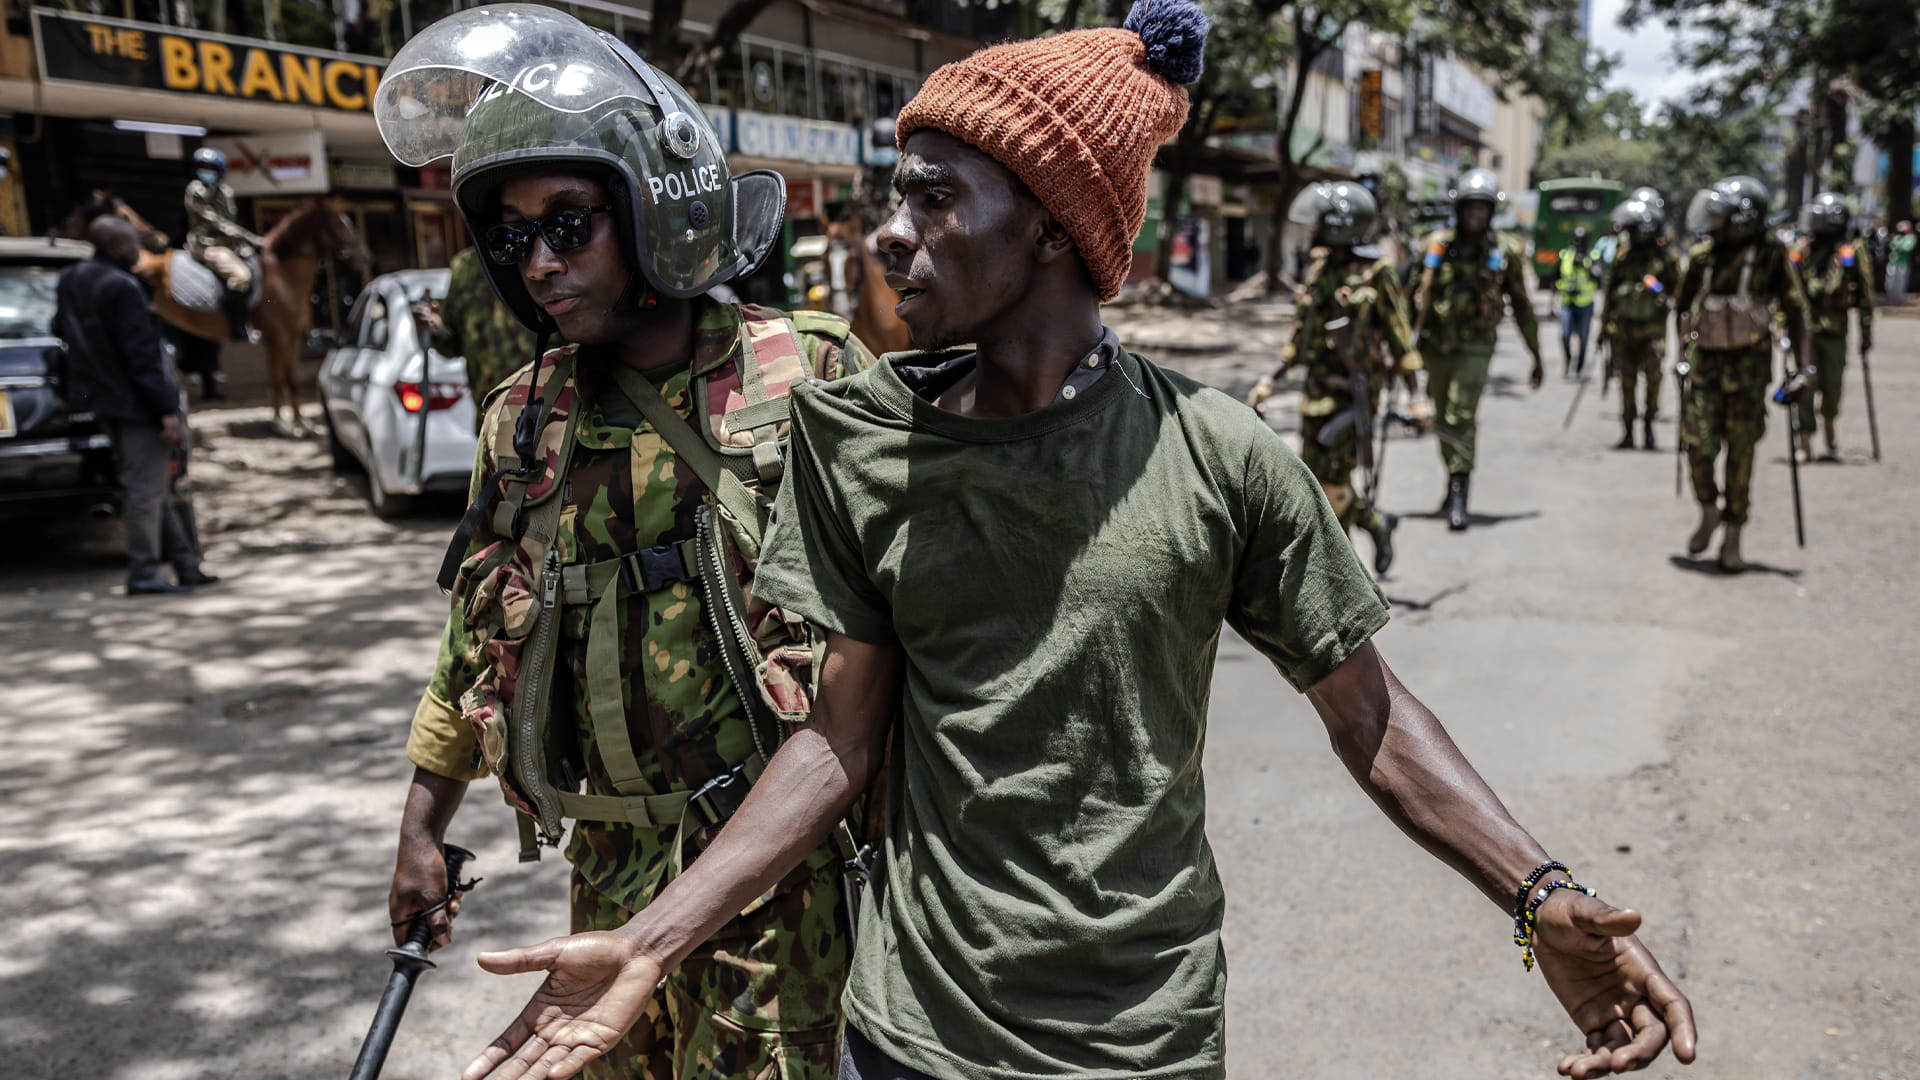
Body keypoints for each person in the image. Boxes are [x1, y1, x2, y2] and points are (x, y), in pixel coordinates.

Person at [456, 7, 1698, 1080]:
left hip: (1142, 1039)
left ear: (1052, 225)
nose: (893, 233)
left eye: (937, 198)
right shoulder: (856, 441)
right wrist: (650, 941)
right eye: (899, 194)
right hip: (909, 1035)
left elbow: (1371, 718)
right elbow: (837, 741)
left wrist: (1540, 897)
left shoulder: (1218, 453)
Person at [371, 9, 873, 1078]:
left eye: (568, 223)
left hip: (770, 874)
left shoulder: (810, 377)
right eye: (512, 238)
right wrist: (422, 827)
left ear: (659, 205)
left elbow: (916, 638)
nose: (540, 262)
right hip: (607, 863)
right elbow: (473, 641)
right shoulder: (523, 417)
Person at [1247, 181, 1419, 573]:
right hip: (1317, 390)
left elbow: (1400, 336)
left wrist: (1416, 396)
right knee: (1313, 480)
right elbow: (1299, 335)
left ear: (1342, 224)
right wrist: (1270, 378)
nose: (1314, 227)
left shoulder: (1378, 273)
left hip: (1353, 393)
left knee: (1333, 481)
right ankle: (1375, 522)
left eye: (1322, 220)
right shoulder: (1320, 268)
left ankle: (1335, 573)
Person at [54, 217, 216, 595]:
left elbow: (61, 331)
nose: (138, 252)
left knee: (157, 485)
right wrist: (164, 410)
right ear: (115, 246)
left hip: (103, 401)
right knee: (146, 489)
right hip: (138, 404)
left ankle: (185, 564)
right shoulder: (123, 287)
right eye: (131, 244)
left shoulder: (72, 279)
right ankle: (144, 573)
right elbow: (142, 356)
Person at [1676, 175, 1811, 572]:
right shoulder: (1702, 258)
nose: (1711, 222)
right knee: (1697, 448)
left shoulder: (1772, 256)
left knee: (1741, 457)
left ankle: (1734, 534)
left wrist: (1805, 369)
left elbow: (1797, 309)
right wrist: (1681, 354)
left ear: (1742, 219)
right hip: (1705, 370)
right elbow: (1681, 306)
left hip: (1749, 377)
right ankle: (1708, 509)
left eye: (1720, 215)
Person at [1412, 168, 1545, 531]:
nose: (1476, 215)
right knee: (1442, 417)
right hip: (1436, 346)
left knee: (1460, 413)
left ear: (1491, 212)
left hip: (1476, 346)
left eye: (1482, 208)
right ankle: (1452, 477)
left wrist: (1536, 354)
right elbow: (1409, 300)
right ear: (1459, 208)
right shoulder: (1434, 246)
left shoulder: (1504, 252)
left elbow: (1522, 305)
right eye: (1470, 207)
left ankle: (1460, 494)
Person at [415, 245, 552, 418]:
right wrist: (436, 329)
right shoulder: (464, 267)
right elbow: (453, 344)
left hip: (549, 412)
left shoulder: (535, 252)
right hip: (490, 414)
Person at [1790, 193, 1874, 460]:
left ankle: (1829, 430)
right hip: (1806, 331)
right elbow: (1789, 292)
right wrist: (1783, 325)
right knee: (1805, 385)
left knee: (1833, 387)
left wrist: (1866, 332)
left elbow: (1864, 295)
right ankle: (1804, 439)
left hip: (1835, 331)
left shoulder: (1850, 252)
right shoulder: (1802, 250)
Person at [1599, 197, 1680, 450]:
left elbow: (1677, 291)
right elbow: (1610, 292)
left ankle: (1648, 423)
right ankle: (1627, 429)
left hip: (1652, 331)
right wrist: (1603, 328)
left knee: (1654, 376)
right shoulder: (1622, 257)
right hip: (1623, 330)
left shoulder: (1664, 258)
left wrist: (1653, 285)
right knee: (1626, 381)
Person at [184, 147, 264, 343]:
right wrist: (248, 237)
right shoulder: (195, 189)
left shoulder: (224, 191)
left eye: (210, 167)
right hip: (206, 244)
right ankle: (237, 325)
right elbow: (214, 221)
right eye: (202, 166)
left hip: (228, 243)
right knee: (241, 275)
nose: (206, 171)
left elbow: (230, 220)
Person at [1556, 226, 1601, 379]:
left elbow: (1598, 278)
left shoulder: (1593, 256)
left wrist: (1584, 265)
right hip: (1567, 302)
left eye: (1582, 240)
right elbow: (1555, 278)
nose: (1578, 243)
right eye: (1576, 239)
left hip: (1585, 304)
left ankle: (1580, 364)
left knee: (1583, 337)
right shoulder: (1565, 255)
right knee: (1565, 334)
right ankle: (1568, 360)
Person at [1887, 220, 1914, 305]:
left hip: (1903, 264)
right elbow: (1891, 246)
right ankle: (1892, 301)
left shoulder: (1910, 237)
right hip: (1892, 264)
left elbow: (1906, 248)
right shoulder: (1897, 237)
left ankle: (1899, 303)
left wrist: (1896, 244)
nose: (1899, 229)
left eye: (1902, 227)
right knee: (1889, 285)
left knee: (1900, 286)